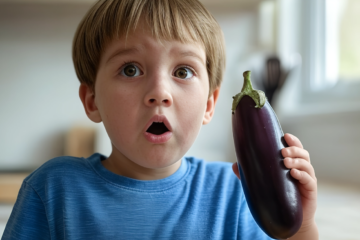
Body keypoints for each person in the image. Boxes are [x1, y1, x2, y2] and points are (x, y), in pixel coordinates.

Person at [2, 0, 318, 239]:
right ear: (92, 100)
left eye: (183, 71)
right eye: (130, 69)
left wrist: (301, 225)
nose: (159, 93)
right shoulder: (53, 189)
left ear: (210, 105)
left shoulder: (236, 192)